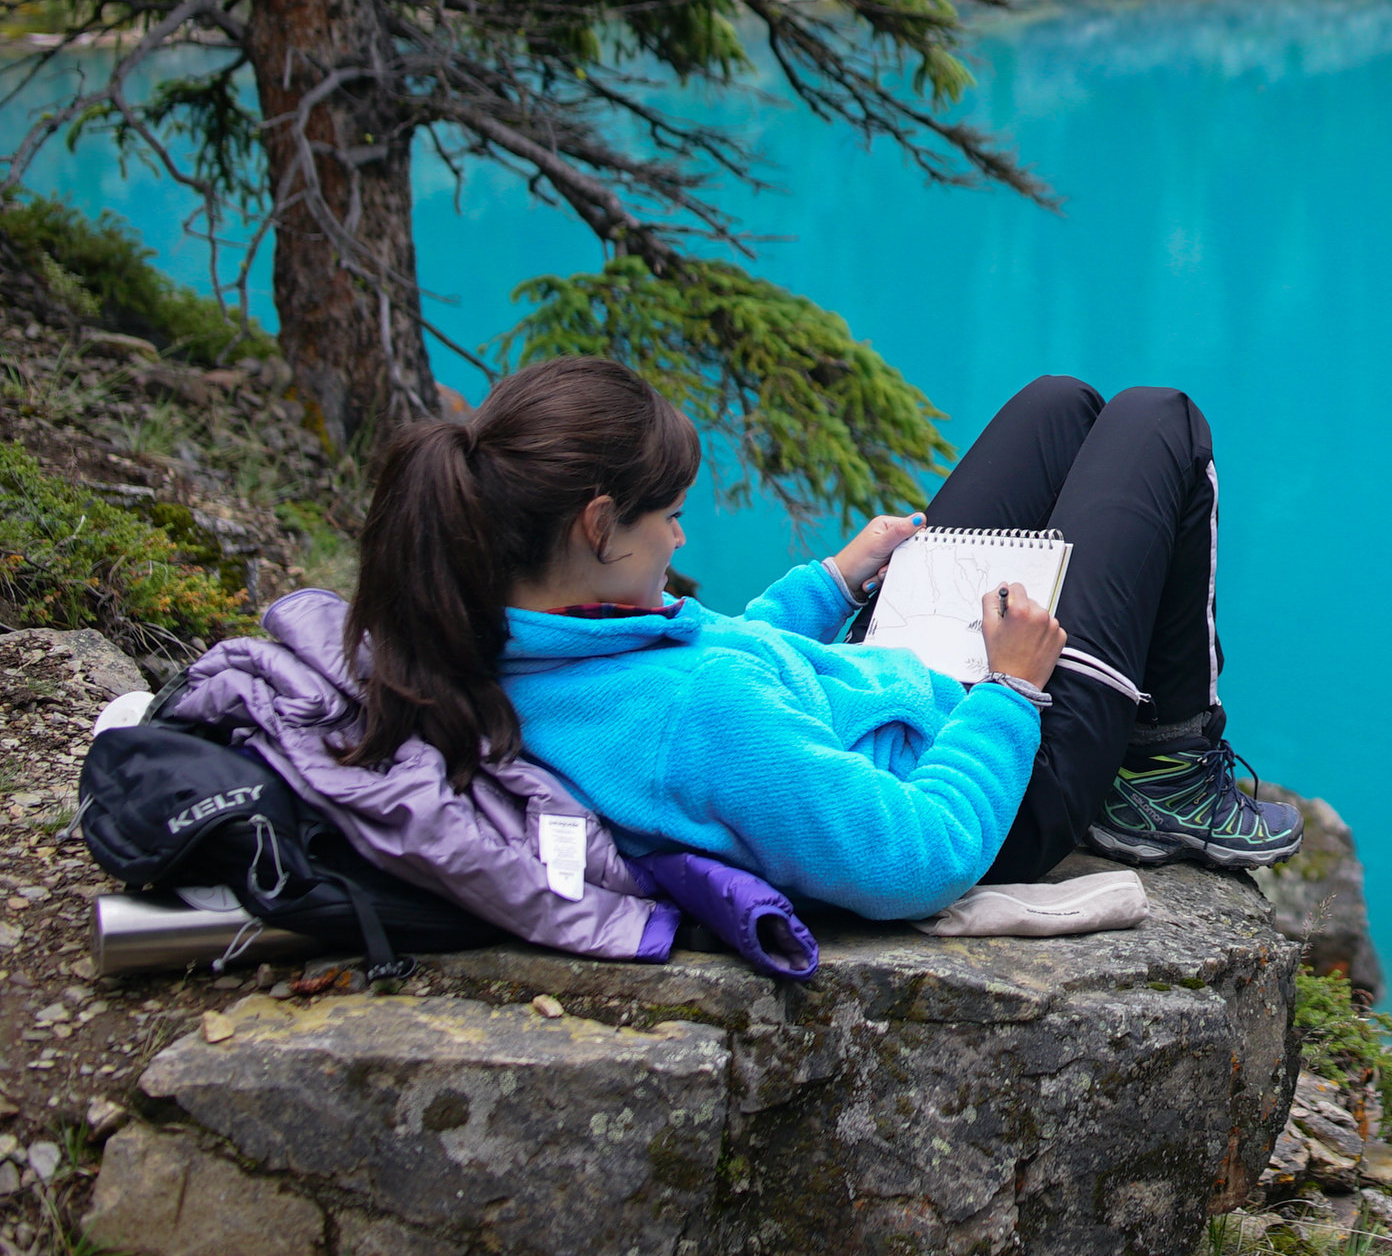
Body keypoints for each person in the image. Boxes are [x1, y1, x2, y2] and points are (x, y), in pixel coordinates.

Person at [344, 356, 1300, 921]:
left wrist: (836, 579)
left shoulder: (526, 636)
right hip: (1007, 782)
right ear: (598, 527)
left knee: (1059, 406)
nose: (680, 539)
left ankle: (983, 653)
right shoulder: (694, 718)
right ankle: (1169, 776)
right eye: (669, 517)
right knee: (1162, 422)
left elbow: (727, 661)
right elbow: (919, 854)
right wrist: (1011, 691)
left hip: (889, 688)